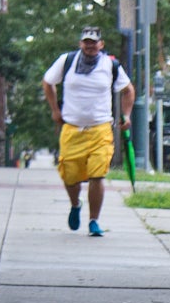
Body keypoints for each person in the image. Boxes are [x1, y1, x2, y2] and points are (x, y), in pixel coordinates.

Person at [42, 27, 134, 236]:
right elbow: (48, 82)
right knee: (70, 176)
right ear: (80, 43)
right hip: (72, 129)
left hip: (100, 129)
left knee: (97, 175)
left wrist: (126, 115)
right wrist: (55, 110)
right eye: (86, 42)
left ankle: (94, 221)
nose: (90, 46)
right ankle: (75, 204)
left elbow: (128, 90)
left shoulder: (110, 65)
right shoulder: (67, 61)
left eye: (94, 42)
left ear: (101, 44)